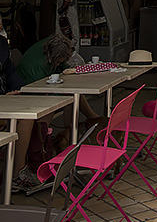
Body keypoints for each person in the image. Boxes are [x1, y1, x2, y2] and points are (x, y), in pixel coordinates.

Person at [17, 33, 100, 122]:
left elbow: (64, 67)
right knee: (57, 100)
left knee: (73, 92)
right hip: (28, 89)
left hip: (40, 84)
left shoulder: (53, 47)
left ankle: (87, 121)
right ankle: (46, 132)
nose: (59, 64)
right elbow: (41, 90)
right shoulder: (39, 65)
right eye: (58, 62)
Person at [0, 35, 40, 192]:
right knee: (24, 117)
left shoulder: (2, 43)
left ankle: (17, 173)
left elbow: (10, 71)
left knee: (31, 113)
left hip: (7, 98)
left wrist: (20, 90)